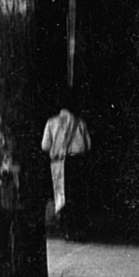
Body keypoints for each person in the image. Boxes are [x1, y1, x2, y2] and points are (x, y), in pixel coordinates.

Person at [41, 101, 92, 241]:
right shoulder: (80, 122)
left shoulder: (52, 122)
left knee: (62, 196)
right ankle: (79, 231)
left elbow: (45, 146)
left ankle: (66, 230)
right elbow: (88, 145)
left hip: (59, 163)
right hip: (77, 162)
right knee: (77, 196)